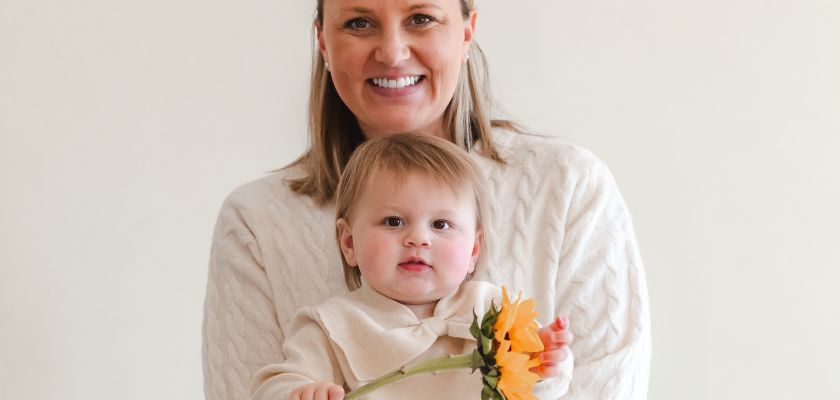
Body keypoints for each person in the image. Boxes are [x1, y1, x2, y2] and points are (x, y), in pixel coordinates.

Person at [202, 1, 651, 399]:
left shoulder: (570, 186)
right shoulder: (256, 223)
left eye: (421, 18)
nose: (393, 52)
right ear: (322, 39)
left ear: (466, 30)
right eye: (359, 22)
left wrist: (548, 365)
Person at [249, 133, 574, 400]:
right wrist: (298, 392)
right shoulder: (333, 326)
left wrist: (543, 363)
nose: (418, 238)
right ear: (349, 243)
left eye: (441, 224)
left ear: (473, 250)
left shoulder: (492, 309)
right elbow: (273, 384)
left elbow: (536, 391)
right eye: (393, 222)